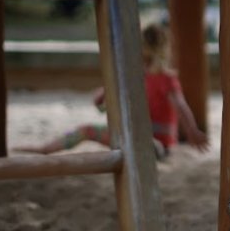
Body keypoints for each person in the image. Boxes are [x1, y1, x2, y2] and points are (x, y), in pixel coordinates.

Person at [19, 23, 209, 158]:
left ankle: (45, 149)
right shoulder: (139, 76)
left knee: (140, 142)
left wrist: (192, 131)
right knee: (89, 130)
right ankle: (45, 150)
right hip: (135, 137)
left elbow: (180, 105)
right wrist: (110, 89)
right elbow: (100, 104)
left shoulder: (164, 78)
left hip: (154, 144)